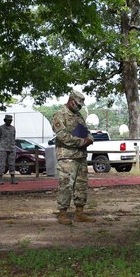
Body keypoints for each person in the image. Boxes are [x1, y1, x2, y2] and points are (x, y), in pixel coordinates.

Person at [53, 90, 96, 225]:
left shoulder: (79, 116)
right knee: (66, 185)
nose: (79, 108)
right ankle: (62, 214)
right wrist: (81, 142)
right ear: (71, 101)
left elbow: (87, 132)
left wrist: (90, 139)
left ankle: (79, 213)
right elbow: (62, 136)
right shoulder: (60, 115)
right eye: (78, 105)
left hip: (80, 156)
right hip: (67, 157)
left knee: (81, 185)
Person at [0, 114, 17, 184]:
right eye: (8, 120)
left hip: (11, 148)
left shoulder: (13, 128)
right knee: (2, 163)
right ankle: (0, 178)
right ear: (5, 120)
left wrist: (13, 145)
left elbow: (14, 137)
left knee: (12, 163)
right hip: (3, 148)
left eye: (10, 120)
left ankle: (13, 177)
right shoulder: (1, 128)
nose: (9, 122)